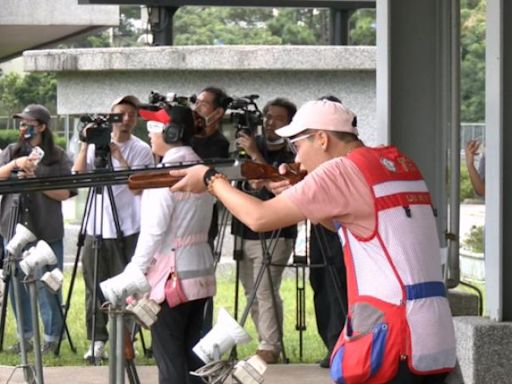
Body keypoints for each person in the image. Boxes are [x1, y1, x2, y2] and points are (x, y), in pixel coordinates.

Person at [169, 99, 457, 383]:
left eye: (297, 145)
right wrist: (301, 193)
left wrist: (210, 180)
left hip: (392, 339)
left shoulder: (340, 170)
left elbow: (258, 218)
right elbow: (356, 225)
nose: (296, 159)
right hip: (433, 337)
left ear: (321, 138)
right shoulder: (397, 164)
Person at [108, 104, 215, 383]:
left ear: (172, 132)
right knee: (195, 359)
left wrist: (134, 270)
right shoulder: (203, 170)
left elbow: (152, 233)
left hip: (172, 282)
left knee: (170, 361)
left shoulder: (165, 175)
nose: (150, 134)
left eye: (155, 128)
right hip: (200, 275)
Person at [72, 95, 154, 361]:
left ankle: (126, 340)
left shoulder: (141, 148)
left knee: (127, 288)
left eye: (132, 115)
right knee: (93, 286)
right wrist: (87, 144)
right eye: (120, 114)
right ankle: (97, 341)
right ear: (110, 116)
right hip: (97, 225)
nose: (126, 120)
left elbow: (140, 186)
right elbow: (78, 175)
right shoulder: (95, 144)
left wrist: (118, 154)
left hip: (128, 226)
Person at [0, 104, 77, 354]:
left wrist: (36, 181)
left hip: (46, 229)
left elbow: (65, 193)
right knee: (15, 284)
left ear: (42, 126)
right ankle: (26, 337)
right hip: (12, 228)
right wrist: (14, 165)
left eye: (28, 123)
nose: (23, 128)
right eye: (21, 123)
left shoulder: (58, 156)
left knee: (48, 284)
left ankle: (52, 339)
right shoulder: (12, 151)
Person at [231, 97, 297, 364]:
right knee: (250, 289)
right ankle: (266, 341)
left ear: (290, 123)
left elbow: (285, 183)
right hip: (244, 227)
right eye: (268, 116)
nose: (270, 122)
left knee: (266, 288)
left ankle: (270, 346)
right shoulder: (249, 146)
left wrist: (257, 157)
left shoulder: (293, 151)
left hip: (277, 230)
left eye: (278, 118)